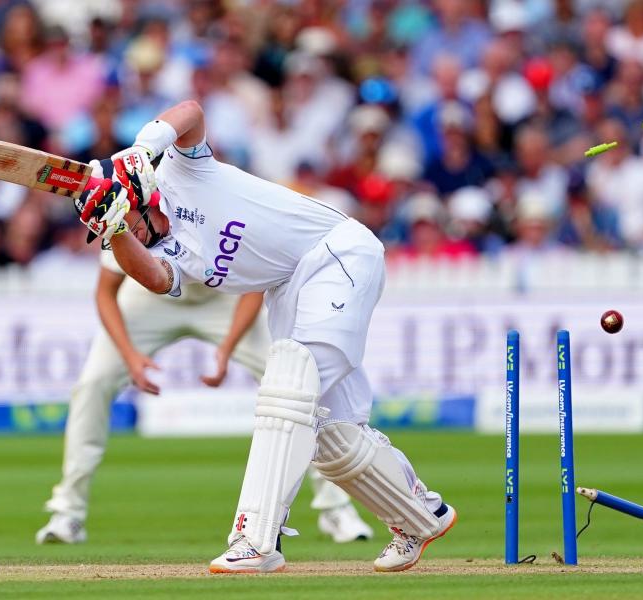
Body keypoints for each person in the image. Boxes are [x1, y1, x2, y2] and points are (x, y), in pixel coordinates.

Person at [74, 100, 456, 573]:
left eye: (124, 220)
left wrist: (141, 148)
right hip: (288, 288)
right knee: (331, 433)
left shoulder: (181, 169)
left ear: (141, 194)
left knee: (287, 390)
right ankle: (421, 515)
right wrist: (112, 232)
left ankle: (255, 537)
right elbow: (153, 279)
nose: (129, 234)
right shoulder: (167, 250)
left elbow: (191, 111)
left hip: (336, 253)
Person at [35, 201, 373, 546]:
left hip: (223, 298)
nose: (130, 231)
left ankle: (336, 508)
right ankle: (68, 513)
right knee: (92, 384)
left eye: (135, 225)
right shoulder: (123, 220)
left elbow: (254, 287)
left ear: (156, 210)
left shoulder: (214, 209)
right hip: (150, 297)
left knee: (298, 386)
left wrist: (226, 349)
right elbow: (105, 292)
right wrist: (130, 357)